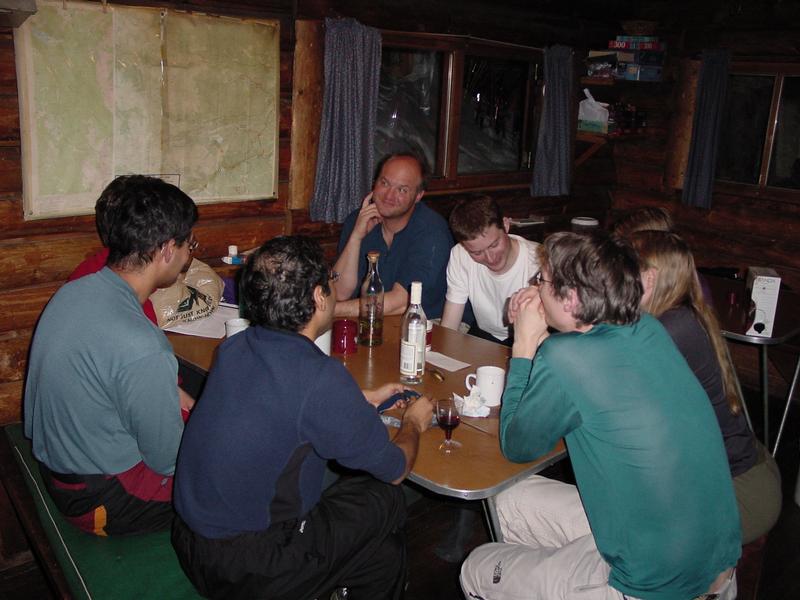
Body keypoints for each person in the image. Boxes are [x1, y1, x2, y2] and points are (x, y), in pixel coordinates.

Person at [460, 231, 741, 600]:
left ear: (572, 298)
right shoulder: (647, 327)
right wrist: (546, 320)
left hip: (655, 584)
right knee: (509, 502)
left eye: (541, 280)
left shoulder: (565, 357)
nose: (536, 287)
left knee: (477, 568)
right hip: (710, 557)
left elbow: (517, 446)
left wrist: (524, 345)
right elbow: (590, 366)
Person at [172, 235, 434, 600]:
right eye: (330, 280)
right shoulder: (319, 377)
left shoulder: (235, 346)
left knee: (383, 555)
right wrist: (414, 423)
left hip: (190, 539)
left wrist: (359, 399)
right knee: (385, 497)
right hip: (250, 565)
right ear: (318, 297)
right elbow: (395, 469)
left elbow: (276, 403)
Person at [24, 175, 198, 536]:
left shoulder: (77, 291)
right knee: (242, 474)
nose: (188, 255)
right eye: (188, 244)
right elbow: (169, 460)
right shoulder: (142, 344)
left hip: (62, 466)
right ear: (168, 250)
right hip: (100, 497)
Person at [631, 230, 782, 544]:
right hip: (745, 472)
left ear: (650, 278)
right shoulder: (680, 314)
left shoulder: (671, 328)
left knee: (635, 532)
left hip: (741, 494)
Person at [68, 176, 195, 417]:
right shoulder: (131, 316)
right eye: (189, 244)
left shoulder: (92, 279)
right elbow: (158, 415)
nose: (189, 254)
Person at [333, 152, 452, 319]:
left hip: (429, 324)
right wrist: (356, 237)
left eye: (402, 190)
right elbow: (339, 293)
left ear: (418, 196)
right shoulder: (358, 220)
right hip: (376, 320)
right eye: (385, 183)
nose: (389, 196)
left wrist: (330, 310)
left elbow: (401, 302)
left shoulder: (432, 231)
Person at [441, 195, 539, 345]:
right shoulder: (460, 255)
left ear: (506, 225)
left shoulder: (539, 260)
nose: (490, 258)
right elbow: (450, 325)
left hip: (531, 338)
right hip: (484, 336)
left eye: (494, 245)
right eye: (477, 253)